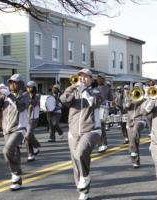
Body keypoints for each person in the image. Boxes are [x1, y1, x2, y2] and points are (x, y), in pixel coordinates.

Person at [60, 68, 103, 200]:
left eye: (85, 77)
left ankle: (85, 177)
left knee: (80, 152)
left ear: (91, 79)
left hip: (91, 130)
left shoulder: (96, 91)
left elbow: (94, 103)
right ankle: (83, 192)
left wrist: (83, 90)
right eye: (80, 77)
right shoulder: (74, 90)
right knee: (76, 161)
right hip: (73, 131)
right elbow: (64, 100)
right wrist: (72, 89)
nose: (82, 79)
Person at [0, 74, 29, 191]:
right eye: (10, 82)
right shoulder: (6, 95)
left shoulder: (25, 95)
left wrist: (9, 95)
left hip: (19, 128)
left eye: (14, 82)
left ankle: (16, 173)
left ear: (20, 83)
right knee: (15, 153)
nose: (12, 84)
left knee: (7, 150)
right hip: (6, 129)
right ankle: (17, 179)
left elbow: (21, 107)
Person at [124, 82, 146, 168]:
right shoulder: (129, 98)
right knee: (133, 141)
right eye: (136, 88)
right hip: (130, 121)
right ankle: (136, 162)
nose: (137, 90)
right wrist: (130, 99)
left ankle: (133, 151)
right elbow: (126, 106)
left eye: (139, 88)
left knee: (135, 131)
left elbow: (145, 110)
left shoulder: (144, 99)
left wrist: (140, 100)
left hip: (140, 120)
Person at [97, 73, 113, 153]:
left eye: (100, 78)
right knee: (96, 127)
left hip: (103, 109)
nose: (98, 79)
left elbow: (111, 100)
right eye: (98, 78)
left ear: (103, 79)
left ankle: (104, 144)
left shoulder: (108, 88)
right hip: (95, 108)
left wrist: (106, 103)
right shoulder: (95, 87)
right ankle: (100, 145)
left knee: (101, 127)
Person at [25, 81, 41, 161]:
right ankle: (31, 153)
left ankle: (36, 146)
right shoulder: (26, 96)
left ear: (34, 87)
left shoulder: (37, 95)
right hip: (26, 118)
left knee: (28, 135)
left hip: (34, 118)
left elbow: (34, 103)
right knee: (27, 136)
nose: (28, 88)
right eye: (27, 87)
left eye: (30, 87)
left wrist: (28, 97)